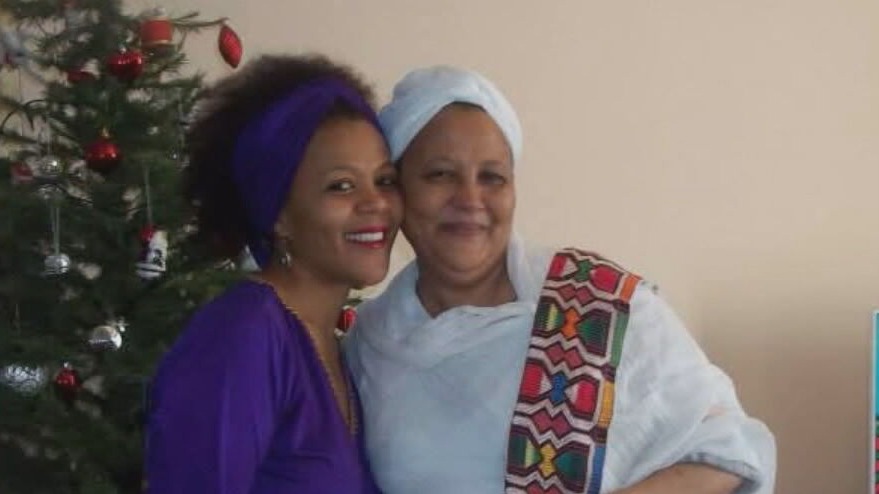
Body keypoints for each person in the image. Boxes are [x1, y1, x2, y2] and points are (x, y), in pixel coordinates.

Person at [343, 65, 776, 494]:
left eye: (492, 177)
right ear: (397, 189)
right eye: (440, 174)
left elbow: (728, 449)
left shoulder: (598, 306)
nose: (470, 198)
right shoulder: (370, 345)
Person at [145, 54, 401, 493]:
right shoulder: (244, 334)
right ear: (279, 214)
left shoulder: (336, 348)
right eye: (341, 185)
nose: (375, 202)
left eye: (385, 180)